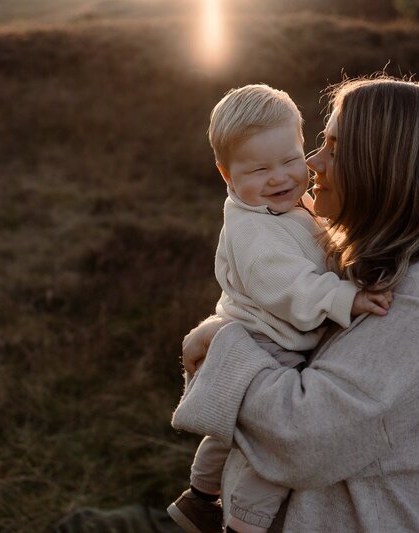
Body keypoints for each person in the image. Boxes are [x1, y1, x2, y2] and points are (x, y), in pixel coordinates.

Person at [172, 75, 419, 532]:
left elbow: (302, 438)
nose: (313, 162)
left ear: (382, 165)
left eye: (333, 147)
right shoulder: (378, 260)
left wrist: (222, 346)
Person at [167, 84, 393, 533]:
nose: (280, 177)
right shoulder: (252, 232)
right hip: (268, 341)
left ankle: (198, 496)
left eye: (291, 160)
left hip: (262, 333)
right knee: (271, 443)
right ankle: (244, 524)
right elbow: (288, 286)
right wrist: (344, 297)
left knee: (229, 424)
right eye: (259, 169)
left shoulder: (284, 207)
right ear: (226, 175)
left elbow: (315, 243)